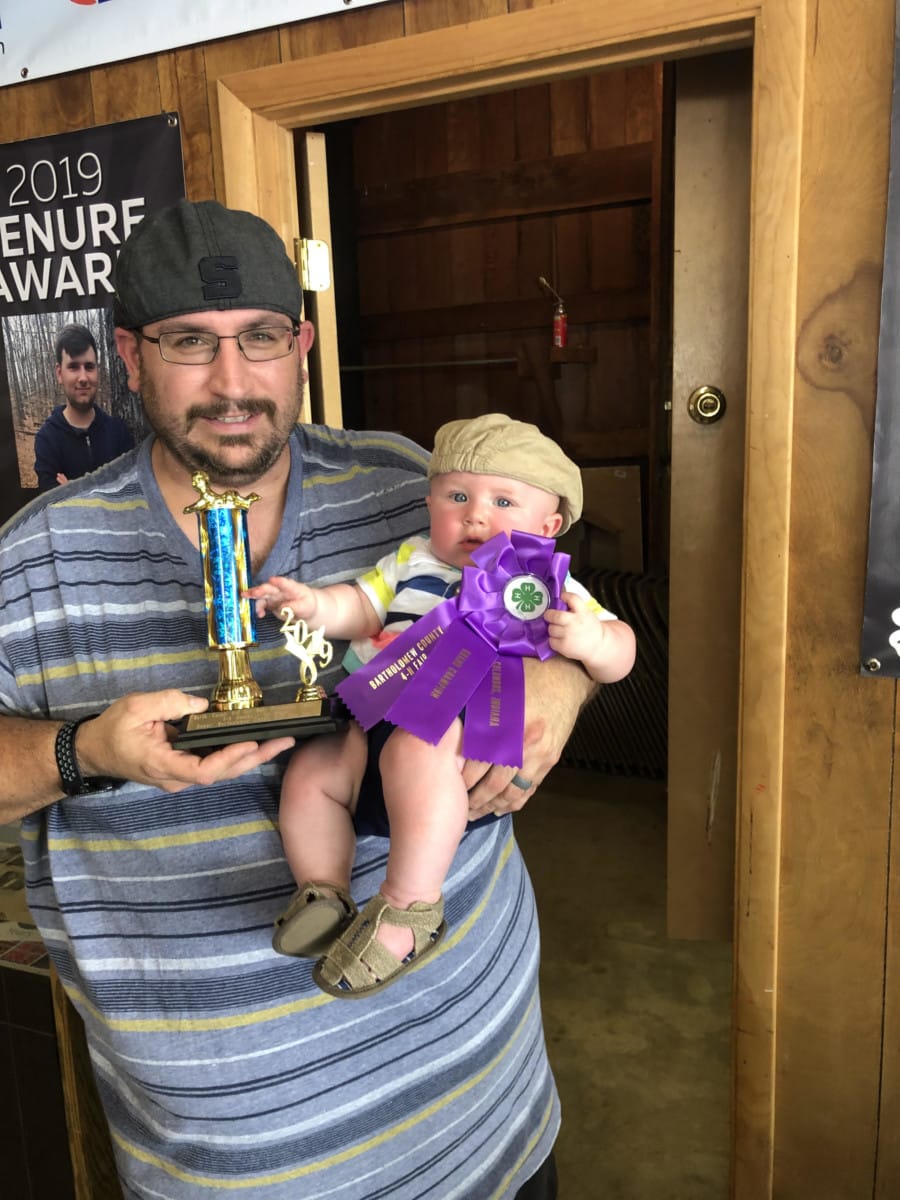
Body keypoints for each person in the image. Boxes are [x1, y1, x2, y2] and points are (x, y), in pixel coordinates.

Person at [0, 199, 597, 1200]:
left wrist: (563, 684)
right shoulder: (33, 560)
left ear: (302, 344)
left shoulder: (416, 487)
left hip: (482, 1116)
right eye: (190, 342)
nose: (232, 383)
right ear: (130, 354)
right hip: (247, 1165)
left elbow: (554, 607)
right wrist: (84, 751)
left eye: (261, 340)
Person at [246, 412, 636, 998]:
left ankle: (409, 906)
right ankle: (323, 891)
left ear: (549, 525)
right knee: (310, 774)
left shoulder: (549, 588)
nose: (475, 514)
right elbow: (361, 608)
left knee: (413, 754)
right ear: (429, 503)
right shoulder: (410, 561)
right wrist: (312, 605)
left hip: (448, 727)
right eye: (456, 495)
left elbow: (623, 650)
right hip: (367, 711)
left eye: (504, 501)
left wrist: (591, 642)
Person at [33, 322, 134, 490]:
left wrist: (75, 491)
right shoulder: (47, 440)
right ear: (59, 374)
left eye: (89, 367)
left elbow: (130, 494)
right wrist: (109, 488)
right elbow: (53, 508)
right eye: (73, 367)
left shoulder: (118, 432)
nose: (83, 377)